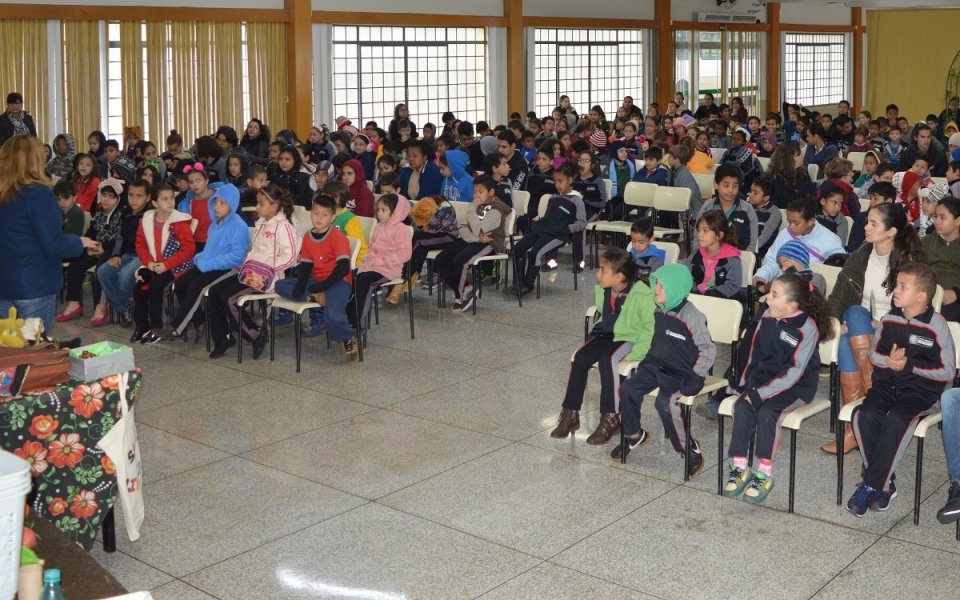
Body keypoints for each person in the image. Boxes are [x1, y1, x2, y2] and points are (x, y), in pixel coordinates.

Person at [847, 263, 955, 516]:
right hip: (887, 384)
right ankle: (886, 485)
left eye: (902, 286)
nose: (895, 290)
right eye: (896, 284)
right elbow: (874, 355)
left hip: (922, 391)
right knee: (863, 415)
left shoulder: (936, 325)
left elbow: (949, 371)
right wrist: (889, 362)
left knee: (897, 419)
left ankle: (870, 484)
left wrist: (909, 366)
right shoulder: (889, 318)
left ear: (921, 296)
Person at [822, 203, 926, 455]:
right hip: (863, 331)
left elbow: (917, 309)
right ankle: (865, 413)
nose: (865, 227)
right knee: (853, 318)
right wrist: (835, 321)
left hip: (897, 331)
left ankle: (858, 423)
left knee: (854, 323)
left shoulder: (910, 260)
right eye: (867, 222)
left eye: (873, 224)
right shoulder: (863, 253)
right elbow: (841, 292)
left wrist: (886, 322)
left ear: (891, 231)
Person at [722, 272, 832, 503]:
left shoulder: (806, 328)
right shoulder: (767, 316)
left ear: (791, 304)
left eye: (774, 295)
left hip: (796, 386)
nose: (767, 300)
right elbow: (751, 354)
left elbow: (795, 371)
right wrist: (746, 386)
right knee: (742, 406)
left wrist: (760, 394)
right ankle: (740, 466)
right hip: (764, 381)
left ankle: (764, 473)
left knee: (767, 412)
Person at [614, 263, 716, 478]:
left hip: (680, 372)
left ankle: (688, 449)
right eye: (655, 283)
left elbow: (708, 349)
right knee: (628, 389)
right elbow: (653, 339)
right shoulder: (658, 310)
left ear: (675, 287)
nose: (656, 288)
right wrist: (643, 359)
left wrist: (696, 374)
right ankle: (634, 436)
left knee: (665, 403)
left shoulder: (693, 317)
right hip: (655, 365)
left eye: (661, 284)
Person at [550, 247, 655, 442]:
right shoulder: (604, 290)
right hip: (605, 333)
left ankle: (610, 417)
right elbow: (604, 315)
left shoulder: (642, 295)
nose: (598, 274)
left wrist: (637, 353)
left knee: (609, 360)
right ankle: (570, 414)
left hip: (628, 336)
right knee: (580, 358)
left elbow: (650, 327)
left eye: (603, 270)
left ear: (620, 276)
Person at [0, 136, 95, 332]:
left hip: (4, 282)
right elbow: (53, 244)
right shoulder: (39, 194)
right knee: (35, 352)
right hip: (34, 282)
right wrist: (79, 242)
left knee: (8, 352)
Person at [205, 184, 298, 359]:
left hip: (268, 279)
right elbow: (255, 250)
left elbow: (291, 257)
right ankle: (223, 337)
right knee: (215, 292)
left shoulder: (284, 226)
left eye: (261, 203)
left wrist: (268, 268)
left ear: (275, 205)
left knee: (229, 298)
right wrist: (247, 263)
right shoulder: (261, 223)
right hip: (250, 273)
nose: (257, 207)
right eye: (257, 203)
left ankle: (255, 335)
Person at [276, 194, 359, 361]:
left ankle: (347, 337)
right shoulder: (308, 236)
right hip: (317, 282)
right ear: (310, 213)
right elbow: (306, 267)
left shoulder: (337, 237)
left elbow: (343, 268)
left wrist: (322, 287)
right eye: (315, 213)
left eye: (324, 214)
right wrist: (302, 288)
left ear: (332, 217)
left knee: (332, 316)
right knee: (279, 285)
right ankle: (312, 296)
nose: (319, 218)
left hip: (338, 282)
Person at [168, 184, 250, 339]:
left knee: (196, 285)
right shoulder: (215, 223)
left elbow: (236, 258)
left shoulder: (239, 226)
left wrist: (209, 263)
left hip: (226, 268)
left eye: (222, 203)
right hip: (209, 263)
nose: (217, 207)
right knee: (180, 283)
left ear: (232, 205)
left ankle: (177, 326)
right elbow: (210, 247)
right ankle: (199, 319)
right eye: (216, 202)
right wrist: (201, 258)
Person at [131, 184, 196, 344]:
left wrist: (166, 265)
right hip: (154, 264)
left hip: (176, 266)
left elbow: (189, 249)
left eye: (171, 198)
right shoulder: (147, 220)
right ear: (154, 203)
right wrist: (149, 263)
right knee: (139, 288)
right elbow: (140, 244)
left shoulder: (179, 222)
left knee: (156, 289)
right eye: (164, 199)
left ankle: (158, 328)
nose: (170, 202)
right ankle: (142, 326)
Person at [57, 178, 126, 326]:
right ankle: (74, 302)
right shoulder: (99, 213)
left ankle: (100, 307)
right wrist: (89, 245)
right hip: (95, 249)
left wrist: (104, 248)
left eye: (111, 196)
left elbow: (121, 239)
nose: (106, 199)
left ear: (118, 199)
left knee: (102, 269)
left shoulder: (122, 214)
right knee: (75, 264)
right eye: (104, 195)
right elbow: (91, 232)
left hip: (111, 251)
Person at [436, 175, 510, 311]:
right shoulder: (476, 205)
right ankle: (466, 288)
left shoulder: (496, 209)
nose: (476, 195)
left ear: (491, 192)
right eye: (475, 192)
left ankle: (460, 296)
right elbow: (463, 228)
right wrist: (476, 238)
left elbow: (479, 229)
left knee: (460, 262)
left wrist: (472, 211)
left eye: (480, 192)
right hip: (473, 240)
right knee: (441, 259)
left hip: (489, 244)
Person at [509, 164, 585, 296]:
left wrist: (567, 229)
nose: (557, 185)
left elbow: (582, 223)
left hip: (558, 235)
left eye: (561, 181)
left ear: (570, 180)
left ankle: (528, 284)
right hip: (541, 230)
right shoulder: (553, 198)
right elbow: (548, 217)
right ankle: (518, 282)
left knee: (536, 253)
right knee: (518, 249)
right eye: (555, 181)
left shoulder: (577, 200)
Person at [753, 199, 846, 293]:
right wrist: (761, 276)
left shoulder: (831, 240)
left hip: (810, 291)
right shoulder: (785, 234)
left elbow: (837, 273)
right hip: (782, 288)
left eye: (796, 223)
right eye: (789, 222)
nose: (791, 227)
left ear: (810, 221)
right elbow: (772, 261)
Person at [350, 194, 412, 328]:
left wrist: (383, 260)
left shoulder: (401, 230)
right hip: (372, 265)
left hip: (389, 269)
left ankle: (358, 323)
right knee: (350, 277)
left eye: (384, 210)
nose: (379, 213)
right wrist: (369, 258)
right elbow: (372, 246)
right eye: (378, 209)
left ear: (395, 211)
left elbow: (405, 254)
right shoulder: (379, 226)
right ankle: (347, 316)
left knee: (364, 282)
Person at [96, 179, 151, 328]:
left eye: (139, 196)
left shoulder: (150, 215)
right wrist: (116, 255)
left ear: (148, 198)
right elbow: (120, 237)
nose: (134, 199)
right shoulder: (126, 213)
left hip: (144, 256)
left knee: (123, 277)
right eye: (131, 195)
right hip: (127, 253)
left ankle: (127, 304)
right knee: (103, 272)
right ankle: (124, 307)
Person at [693, 163, 758, 253]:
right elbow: (697, 239)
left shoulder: (747, 210)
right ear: (716, 185)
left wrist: (742, 260)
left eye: (735, 186)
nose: (730, 190)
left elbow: (752, 244)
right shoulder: (707, 208)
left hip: (739, 260)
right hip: (709, 259)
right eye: (726, 185)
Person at [687, 210, 743, 300]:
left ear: (719, 235)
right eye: (699, 230)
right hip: (697, 299)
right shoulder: (695, 256)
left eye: (705, 231)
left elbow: (733, 285)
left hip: (721, 301)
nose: (699, 235)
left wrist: (712, 294)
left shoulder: (732, 260)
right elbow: (686, 276)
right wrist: (694, 291)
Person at [923, 196, 960, 322]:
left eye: (942, 217)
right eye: (935, 217)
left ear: (958, 220)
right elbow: (914, 269)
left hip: (954, 299)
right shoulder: (926, 242)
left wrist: (957, 293)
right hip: (927, 294)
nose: (936, 222)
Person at [748, 174, 780, 257]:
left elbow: (764, 238)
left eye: (755, 193)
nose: (750, 195)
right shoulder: (746, 207)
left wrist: (746, 250)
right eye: (750, 191)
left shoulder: (774, 213)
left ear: (766, 198)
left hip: (759, 255)